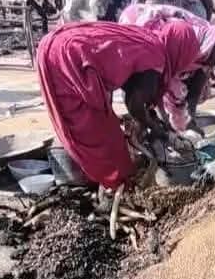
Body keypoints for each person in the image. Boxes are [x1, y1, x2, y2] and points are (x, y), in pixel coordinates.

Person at [36, 19, 201, 190]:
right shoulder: (155, 60)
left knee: (91, 125)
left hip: (60, 45)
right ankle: (115, 186)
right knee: (95, 133)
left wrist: (155, 123)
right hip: (68, 57)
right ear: (181, 52)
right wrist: (155, 128)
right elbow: (134, 103)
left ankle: (93, 179)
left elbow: (127, 80)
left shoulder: (152, 42)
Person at [119, 2, 215, 132]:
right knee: (141, 89)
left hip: (165, 55)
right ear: (212, 46)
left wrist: (190, 117)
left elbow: (190, 88)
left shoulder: (205, 50)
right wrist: (154, 125)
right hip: (137, 28)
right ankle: (140, 123)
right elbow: (160, 84)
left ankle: (152, 121)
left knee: (161, 88)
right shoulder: (182, 38)